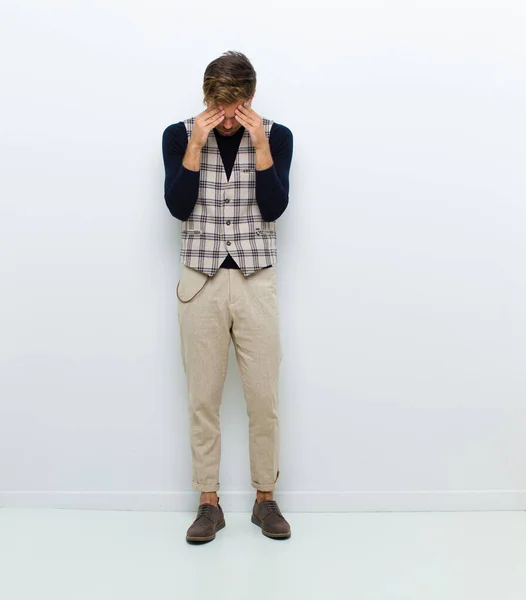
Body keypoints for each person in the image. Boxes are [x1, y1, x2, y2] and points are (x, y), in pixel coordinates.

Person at [161, 50, 293, 543]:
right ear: (206, 98)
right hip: (200, 281)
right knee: (203, 399)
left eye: (237, 106)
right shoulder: (179, 135)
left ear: (250, 98)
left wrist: (260, 144)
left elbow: (274, 206)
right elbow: (178, 205)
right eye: (219, 105)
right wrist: (196, 143)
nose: (229, 117)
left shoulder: (277, 135)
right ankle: (208, 502)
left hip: (256, 280)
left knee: (264, 396)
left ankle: (265, 499)